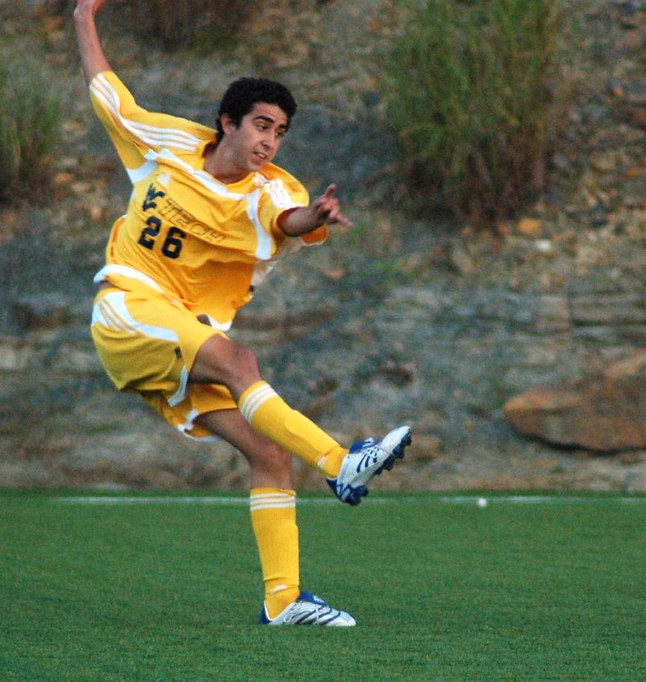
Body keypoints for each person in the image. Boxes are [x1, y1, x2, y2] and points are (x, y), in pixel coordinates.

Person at [74, 0, 412, 627]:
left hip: (179, 335)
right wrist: (83, 16)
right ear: (226, 123)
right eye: (261, 124)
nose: (269, 140)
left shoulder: (274, 191)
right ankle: (342, 464)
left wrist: (317, 218)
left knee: (269, 454)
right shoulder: (168, 144)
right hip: (124, 307)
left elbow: (288, 220)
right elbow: (108, 94)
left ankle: (283, 601)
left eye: (280, 131)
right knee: (241, 359)